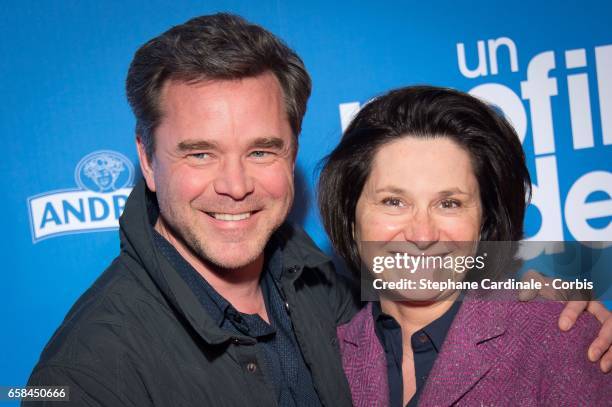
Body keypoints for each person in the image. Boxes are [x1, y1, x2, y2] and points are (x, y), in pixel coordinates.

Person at [26, 13, 611, 407]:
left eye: (261, 150)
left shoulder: (320, 289)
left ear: (293, 154)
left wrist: (543, 299)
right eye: (199, 153)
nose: (235, 185)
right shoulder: (87, 373)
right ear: (148, 160)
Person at [317, 85, 612, 406]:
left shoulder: (562, 340)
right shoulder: (323, 364)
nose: (422, 234)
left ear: (484, 221)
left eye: (449, 203)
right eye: (394, 201)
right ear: (351, 217)